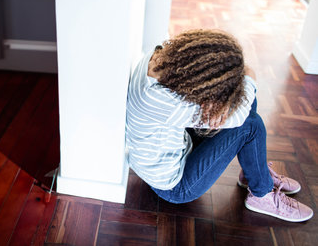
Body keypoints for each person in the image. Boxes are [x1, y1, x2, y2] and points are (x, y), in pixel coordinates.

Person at [125, 29, 313, 222]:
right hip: (174, 186)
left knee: (240, 97)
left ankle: (255, 174)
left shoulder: (158, 58)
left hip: (173, 147)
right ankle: (262, 195)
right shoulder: (166, 103)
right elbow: (239, 118)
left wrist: (218, 101)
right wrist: (249, 72)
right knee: (250, 123)